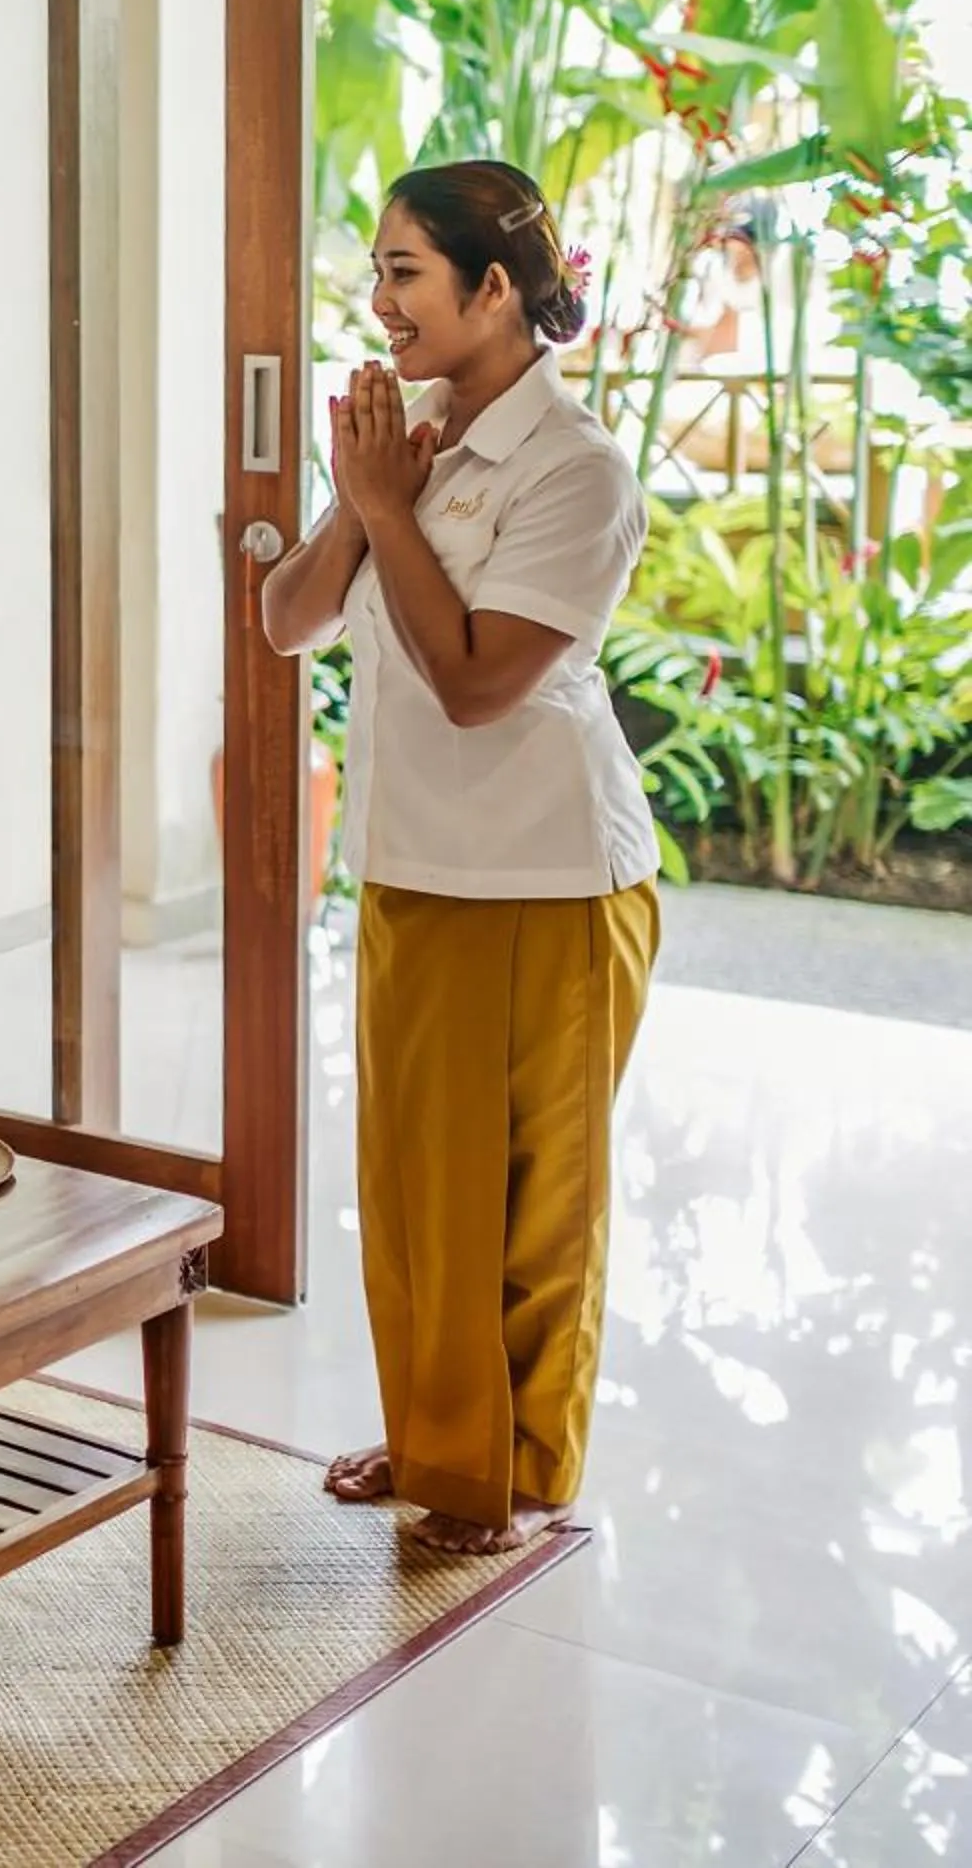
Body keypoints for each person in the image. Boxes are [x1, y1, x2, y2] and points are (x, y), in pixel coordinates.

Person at [258, 159, 661, 1557]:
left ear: (497, 290)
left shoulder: (580, 470)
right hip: (414, 866)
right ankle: (442, 1444)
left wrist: (381, 507)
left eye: (406, 273)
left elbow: (479, 680)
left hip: (552, 879)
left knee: (532, 1202)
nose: (380, 304)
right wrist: (361, 497)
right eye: (375, 272)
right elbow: (285, 619)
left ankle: (522, 1475)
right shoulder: (411, 439)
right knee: (418, 1188)